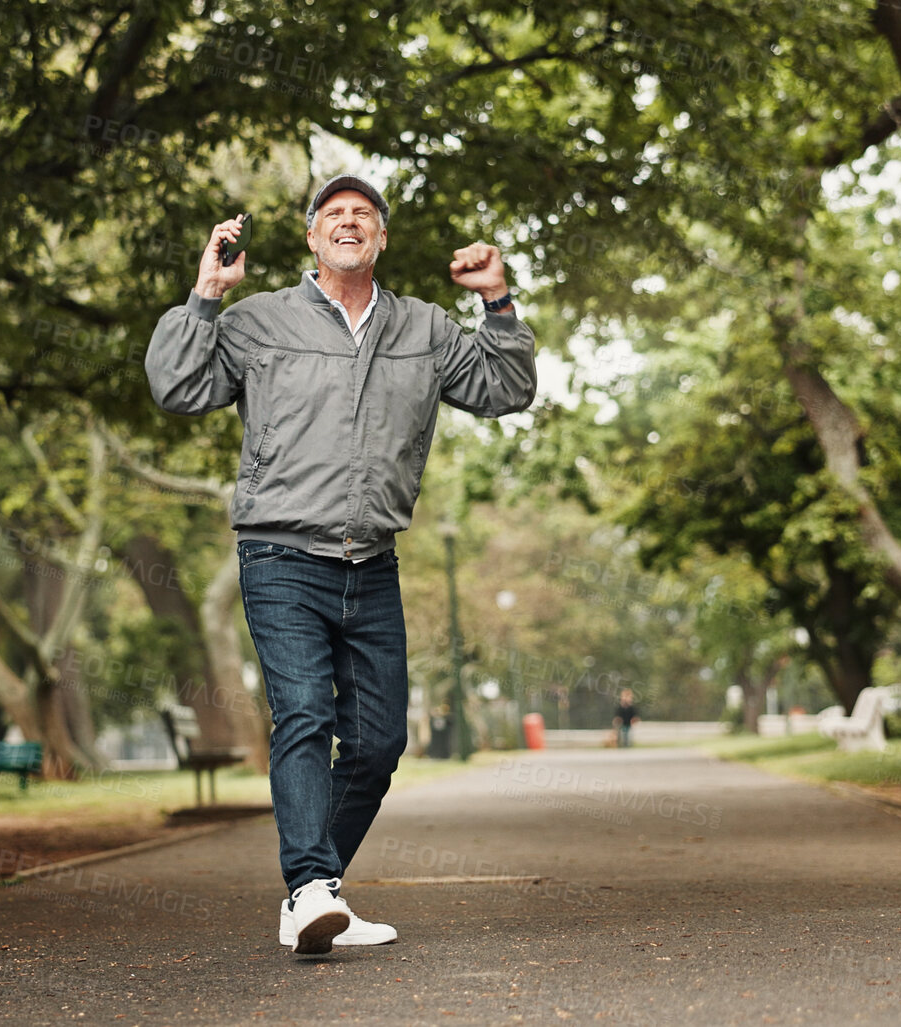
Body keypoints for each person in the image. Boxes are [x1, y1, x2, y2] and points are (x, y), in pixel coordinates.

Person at [144, 174, 537, 955]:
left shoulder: (423, 328)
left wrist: (497, 304)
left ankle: (307, 890)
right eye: (332, 214)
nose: (348, 221)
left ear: (381, 238)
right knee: (304, 715)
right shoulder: (258, 322)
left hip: (372, 561)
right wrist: (205, 296)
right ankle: (313, 886)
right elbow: (178, 386)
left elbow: (505, 388)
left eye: (363, 213)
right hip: (279, 553)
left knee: (377, 742)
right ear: (311, 239)